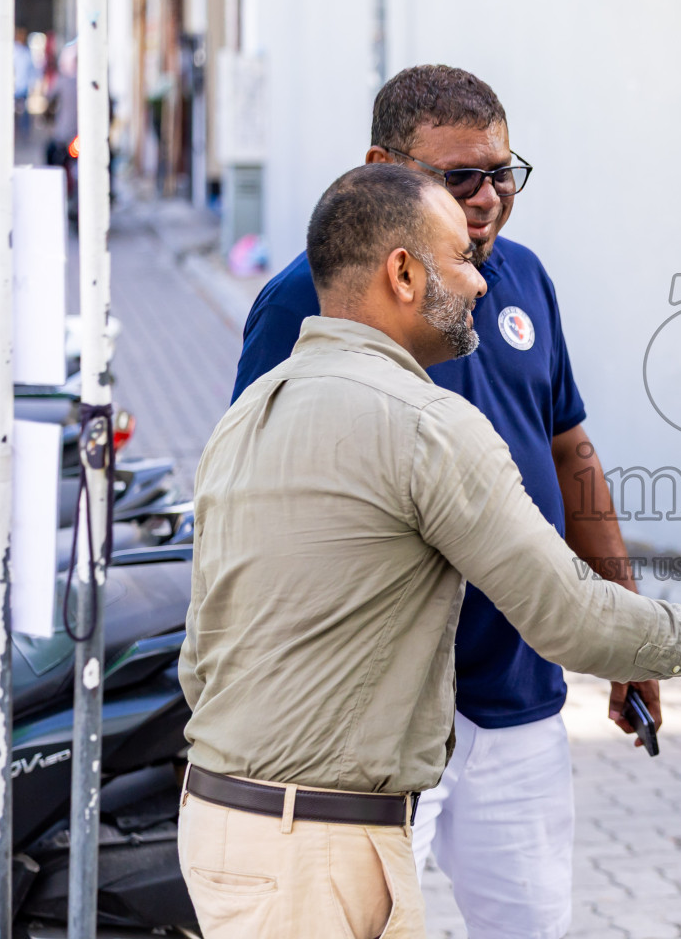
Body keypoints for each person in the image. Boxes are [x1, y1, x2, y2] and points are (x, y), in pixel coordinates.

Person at [179, 163, 681, 939]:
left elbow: (201, 649)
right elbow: (568, 615)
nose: (480, 282)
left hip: (222, 821)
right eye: (459, 260)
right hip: (315, 846)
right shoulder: (424, 423)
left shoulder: (246, 416)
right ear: (403, 274)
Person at [231, 65, 645, 938]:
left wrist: (624, 628)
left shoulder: (524, 279)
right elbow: (256, 498)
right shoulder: (303, 302)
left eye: (502, 172)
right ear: (383, 167)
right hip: (369, 722)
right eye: (460, 178)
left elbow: (570, 450)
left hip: (514, 692)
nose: (488, 197)